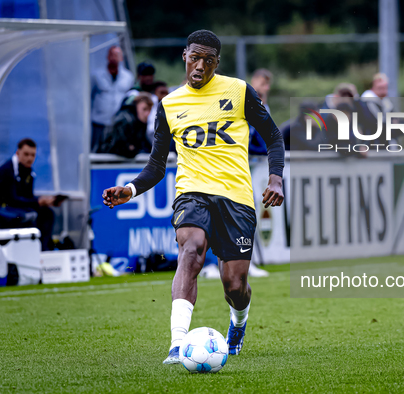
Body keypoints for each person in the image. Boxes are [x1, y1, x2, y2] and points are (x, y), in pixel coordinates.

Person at [101, 30, 285, 363]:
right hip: (192, 193)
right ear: (184, 55)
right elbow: (156, 166)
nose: (200, 66)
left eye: (208, 60)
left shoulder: (239, 91)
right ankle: (177, 343)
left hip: (237, 198)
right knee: (191, 250)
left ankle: (238, 321)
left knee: (235, 285)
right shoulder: (169, 105)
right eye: (195, 58)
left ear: (217, 63)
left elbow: (273, 136)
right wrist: (129, 189)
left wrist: (276, 179)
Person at [0, 139, 63, 251]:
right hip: (5, 212)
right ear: (17, 153)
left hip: (18, 209)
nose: (29, 158)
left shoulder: (29, 173)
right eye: (26, 154)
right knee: (30, 216)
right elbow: (12, 200)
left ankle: (44, 249)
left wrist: (45, 202)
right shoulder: (7, 170)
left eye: (33, 155)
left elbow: (27, 198)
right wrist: (38, 202)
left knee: (47, 213)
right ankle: (29, 251)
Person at [90, 46, 134, 152]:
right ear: (107, 57)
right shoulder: (97, 75)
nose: (114, 58)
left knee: (116, 149)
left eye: (117, 55)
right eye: (112, 55)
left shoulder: (128, 77)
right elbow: (90, 96)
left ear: (121, 58)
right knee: (96, 150)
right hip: (100, 122)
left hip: (119, 123)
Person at [99, 92, 153, 158]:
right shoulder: (124, 119)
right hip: (106, 161)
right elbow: (118, 147)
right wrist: (132, 149)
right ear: (136, 106)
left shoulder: (140, 122)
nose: (147, 113)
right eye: (144, 109)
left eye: (149, 110)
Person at [123, 62, 159, 144]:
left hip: (151, 136)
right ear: (139, 76)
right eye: (145, 74)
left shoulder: (154, 96)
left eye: (150, 74)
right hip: (136, 135)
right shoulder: (132, 94)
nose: (148, 78)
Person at [248, 69, 274, 156]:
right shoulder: (244, 102)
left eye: (267, 85)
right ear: (253, 81)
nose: (267, 88)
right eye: (263, 84)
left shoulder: (264, 106)